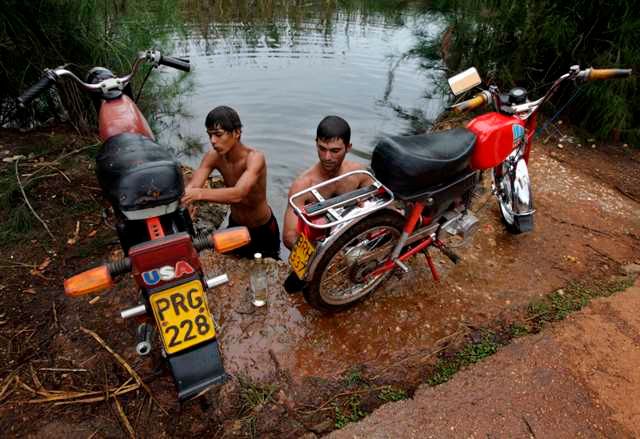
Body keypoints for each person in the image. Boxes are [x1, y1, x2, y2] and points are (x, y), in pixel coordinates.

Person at [182, 106, 280, 259]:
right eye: (210, 135)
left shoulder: (254, 158)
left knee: (270, 269)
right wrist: (187, 203)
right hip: (236, 225)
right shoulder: (213, 157)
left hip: (262, 228)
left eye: (218, 135)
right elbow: (193, 187)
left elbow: (238, 194)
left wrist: (198, 194)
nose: (213, 141)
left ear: (237, 133)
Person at [282, 115, 371, 250]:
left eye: (335, 151)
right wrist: (319, 258)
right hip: (316, 246)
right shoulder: (303, 186)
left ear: (348, 147)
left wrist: (365, 205)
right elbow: (289, 236)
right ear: (316, 143)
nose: (327, 157)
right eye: (322, 149)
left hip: (349, 240)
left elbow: (382, 207)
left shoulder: (359, 174)